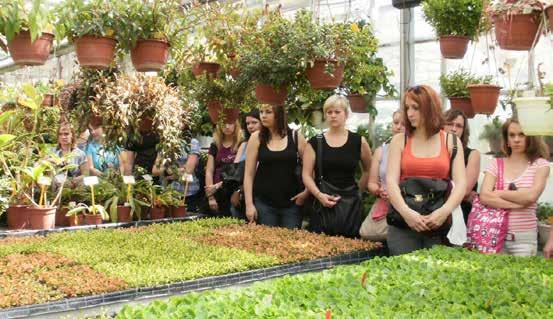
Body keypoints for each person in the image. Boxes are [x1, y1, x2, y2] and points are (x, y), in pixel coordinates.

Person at [386, 85, 466, 255]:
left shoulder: (450, 141)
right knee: (403, 275)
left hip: (439, 223)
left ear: (430, 107)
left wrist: (444, 212)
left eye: (415, 107)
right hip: (403, 225)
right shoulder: (400, 141)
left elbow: (461, 184)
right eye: (407, 108)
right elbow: (391, 182)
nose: (409, 113)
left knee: (440, 276)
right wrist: (407, 214)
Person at [302, 95, 372, 237]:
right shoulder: (315, 142)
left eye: (337, 112)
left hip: (350, 205)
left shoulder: (358, 141)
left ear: (346, 114)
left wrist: (358, 192)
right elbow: (306, 175)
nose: (333, 116)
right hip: (322, 202)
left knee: (352, 249)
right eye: (329, 112)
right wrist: (319, 195)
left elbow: (368, 170)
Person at [479, 118, 550, 257]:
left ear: (530, 137)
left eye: (521, 134)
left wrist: (498, 192)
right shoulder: (496, 164)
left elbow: (531, 196)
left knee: (522, 278)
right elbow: (484, 196)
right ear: (506, 139)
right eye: (512, 135)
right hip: (493, 235)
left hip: (524, 240)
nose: (516, 139)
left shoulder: (540, 165)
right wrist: (519, 203)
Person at [244, 104, 309, 229]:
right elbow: (248, 174)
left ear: (279, 114)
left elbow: (310, 168)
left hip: (292, 204)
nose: (263, 115)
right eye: (261, 112)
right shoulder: (256, 138)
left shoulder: (296, 137)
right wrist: (249, 204)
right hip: (264, 203)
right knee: (267, 244)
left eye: (268, 112)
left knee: (291, 244)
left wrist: (306, 192)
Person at [361, 110, 404, 240]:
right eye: (396, 122)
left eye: (403, 124)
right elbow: (372, 183)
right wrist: (379, 191)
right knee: (367, 233)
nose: (398, 126)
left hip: (410, 203)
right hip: (385, 202)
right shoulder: (381, 151)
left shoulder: (416, 150)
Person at [444, 109, 480, 223]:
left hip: (461, 215)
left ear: (464, 131)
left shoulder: (472, 154)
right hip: (433, 211)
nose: (454, 129)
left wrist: (436, 191)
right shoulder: (434, 153)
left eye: (459, 126)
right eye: (450, 124)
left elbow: (464, 191)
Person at [152, 138, 201, 213]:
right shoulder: (164, 143)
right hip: (167, 193)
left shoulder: (192, 142)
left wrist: (168, 171)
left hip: (188, 192)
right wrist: (173, 171)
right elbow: (155, 170)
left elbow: (189, 169)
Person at [205, 121, 242, 216]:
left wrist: (218, 185)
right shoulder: (215, 145)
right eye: (223, 124)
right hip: (216, 192)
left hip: (234, 191)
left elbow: (239, 172)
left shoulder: (241, 144)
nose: (227, 126)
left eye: (230, 123)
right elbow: (209, 171)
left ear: (236, 124)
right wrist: (211, 197)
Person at [231, 109, 261, 219]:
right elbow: (235, 171)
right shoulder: (243, 145)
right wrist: (237, 190)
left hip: (260, 195)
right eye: (248, 123)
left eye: (254, 122)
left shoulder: (269, 144)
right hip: (241, 195)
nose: (250, 126)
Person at [50, 122, 89, 187]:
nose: (63, 137)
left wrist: (76, 180)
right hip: (54, 187)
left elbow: (86, 175)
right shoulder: (52, 152)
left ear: (72, 135)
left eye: (66, 134)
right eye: (60, 134)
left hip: (72, 186)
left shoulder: (80, 154)